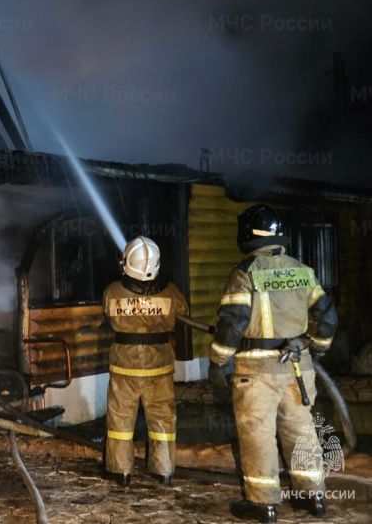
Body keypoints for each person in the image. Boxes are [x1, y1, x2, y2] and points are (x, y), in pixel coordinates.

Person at [209, 204, 339, 523]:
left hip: (257, 371)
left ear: (247, 234)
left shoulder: (245, 273)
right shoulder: (302, 271)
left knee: (258, 433)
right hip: (299, 366)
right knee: (301, 428)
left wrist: (217, 361)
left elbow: (232, 324)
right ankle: (313, 496)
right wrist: (316, 349)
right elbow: (328, 318)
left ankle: (263, 503)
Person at [102, 235, 188, 486]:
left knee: (120, 418)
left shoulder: (112, 291)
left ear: (127, 262)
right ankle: (164, 471)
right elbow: (182, 313)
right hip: (158, 364)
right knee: (162, 416)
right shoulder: (172, 292)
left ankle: (121, 471)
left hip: (123, 364)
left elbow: (107, 315)